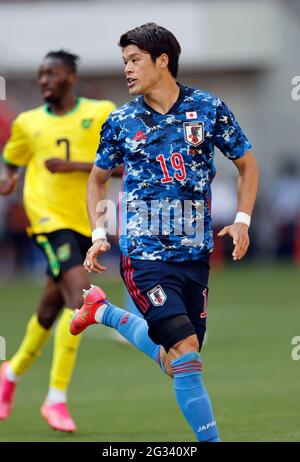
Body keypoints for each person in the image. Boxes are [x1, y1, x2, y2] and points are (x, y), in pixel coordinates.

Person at [70, 23, 259, 442]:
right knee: (187, 356)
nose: (128, 70)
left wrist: (242, 220)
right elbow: (97, 179)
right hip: (144, 256)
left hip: (195, 255)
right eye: (125, 62)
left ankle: (102, 312)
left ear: (162, 61)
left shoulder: (209, 109)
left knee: (178, 361)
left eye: (135, 60)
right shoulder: (120, 121)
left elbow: (247, 164)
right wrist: (99, 232)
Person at [0, 50, 115, 432]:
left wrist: (75, 167)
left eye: (52, 74)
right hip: (47, 221)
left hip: (87, 221)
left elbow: (121, 164)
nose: (44, 80)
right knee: (81, 297)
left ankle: (10, 372)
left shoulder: (101, 112)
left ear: (71, 77)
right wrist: (9, 177)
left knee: (50, 310)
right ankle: (56, 399)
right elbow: (12, 156)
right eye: (41, 74)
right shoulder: (28, 123)